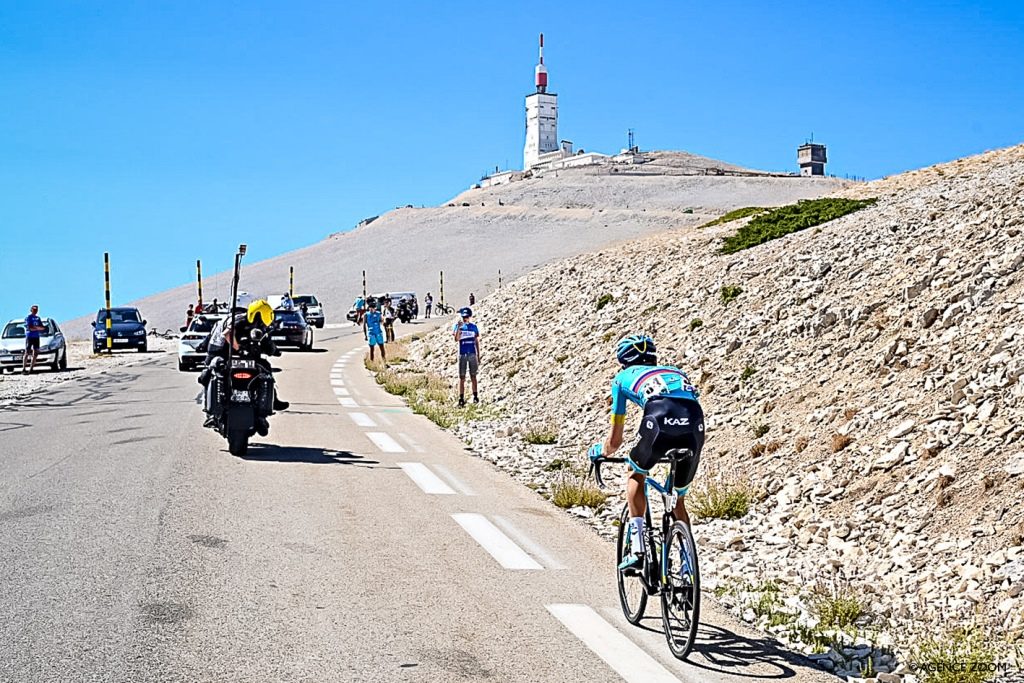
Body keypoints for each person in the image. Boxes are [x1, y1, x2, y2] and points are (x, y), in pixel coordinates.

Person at [588, 334, 703, 570]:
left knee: (636, 471)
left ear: (623, 360)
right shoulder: (676, 372)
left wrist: (600, 451)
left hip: (659, 420)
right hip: (694, 424)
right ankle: (687, 565)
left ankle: (638, 547)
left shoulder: (621, 379)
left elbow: (615, 441)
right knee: (677, 499)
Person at [202, 299, 288, 433]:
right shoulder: (238, 320)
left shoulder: (259, 327)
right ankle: (211, 414)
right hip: (222, 352)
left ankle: (267, 406)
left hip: (242, 356)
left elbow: (266, 341)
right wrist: (238, 348)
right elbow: (226, 334)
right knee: (208, 373)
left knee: (265, 369)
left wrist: (274, 350)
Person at [453, 307, 480, 407]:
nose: (465, 319)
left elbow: (476, 341)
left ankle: (475, 396)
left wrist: (478, 355)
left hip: (472, 353)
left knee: (473, 376)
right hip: (462, 354)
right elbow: (456, 339)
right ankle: (461, 397)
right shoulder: (458, 327)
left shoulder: (473, 327)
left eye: (467, 317)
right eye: (464, 317)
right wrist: (459, 329)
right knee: (462, 377)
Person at [22, 305, 45, 374]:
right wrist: (37, 328)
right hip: (30, 336)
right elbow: (30, 328)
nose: (35, 311)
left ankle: (31, 368)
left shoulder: (38, 318)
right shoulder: (29, 317)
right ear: (31, 310)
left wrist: (36, 328)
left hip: (36, 337)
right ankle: (24, 368)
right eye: (34, 309)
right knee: (27, 352)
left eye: (36, 309)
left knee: (36, 352)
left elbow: (42, 328)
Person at [363, 300, 387, 366]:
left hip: (378, 332)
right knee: (372, 348)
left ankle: (384, 361)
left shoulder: (378, 314)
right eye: (370, 308)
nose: (371, 309)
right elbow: (364, 325)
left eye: (373, 308)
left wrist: (383, 321)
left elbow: (382, 321)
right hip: (371, 333)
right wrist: (365, 335)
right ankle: (372, 362)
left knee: (381, 347)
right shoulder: (366, 315)